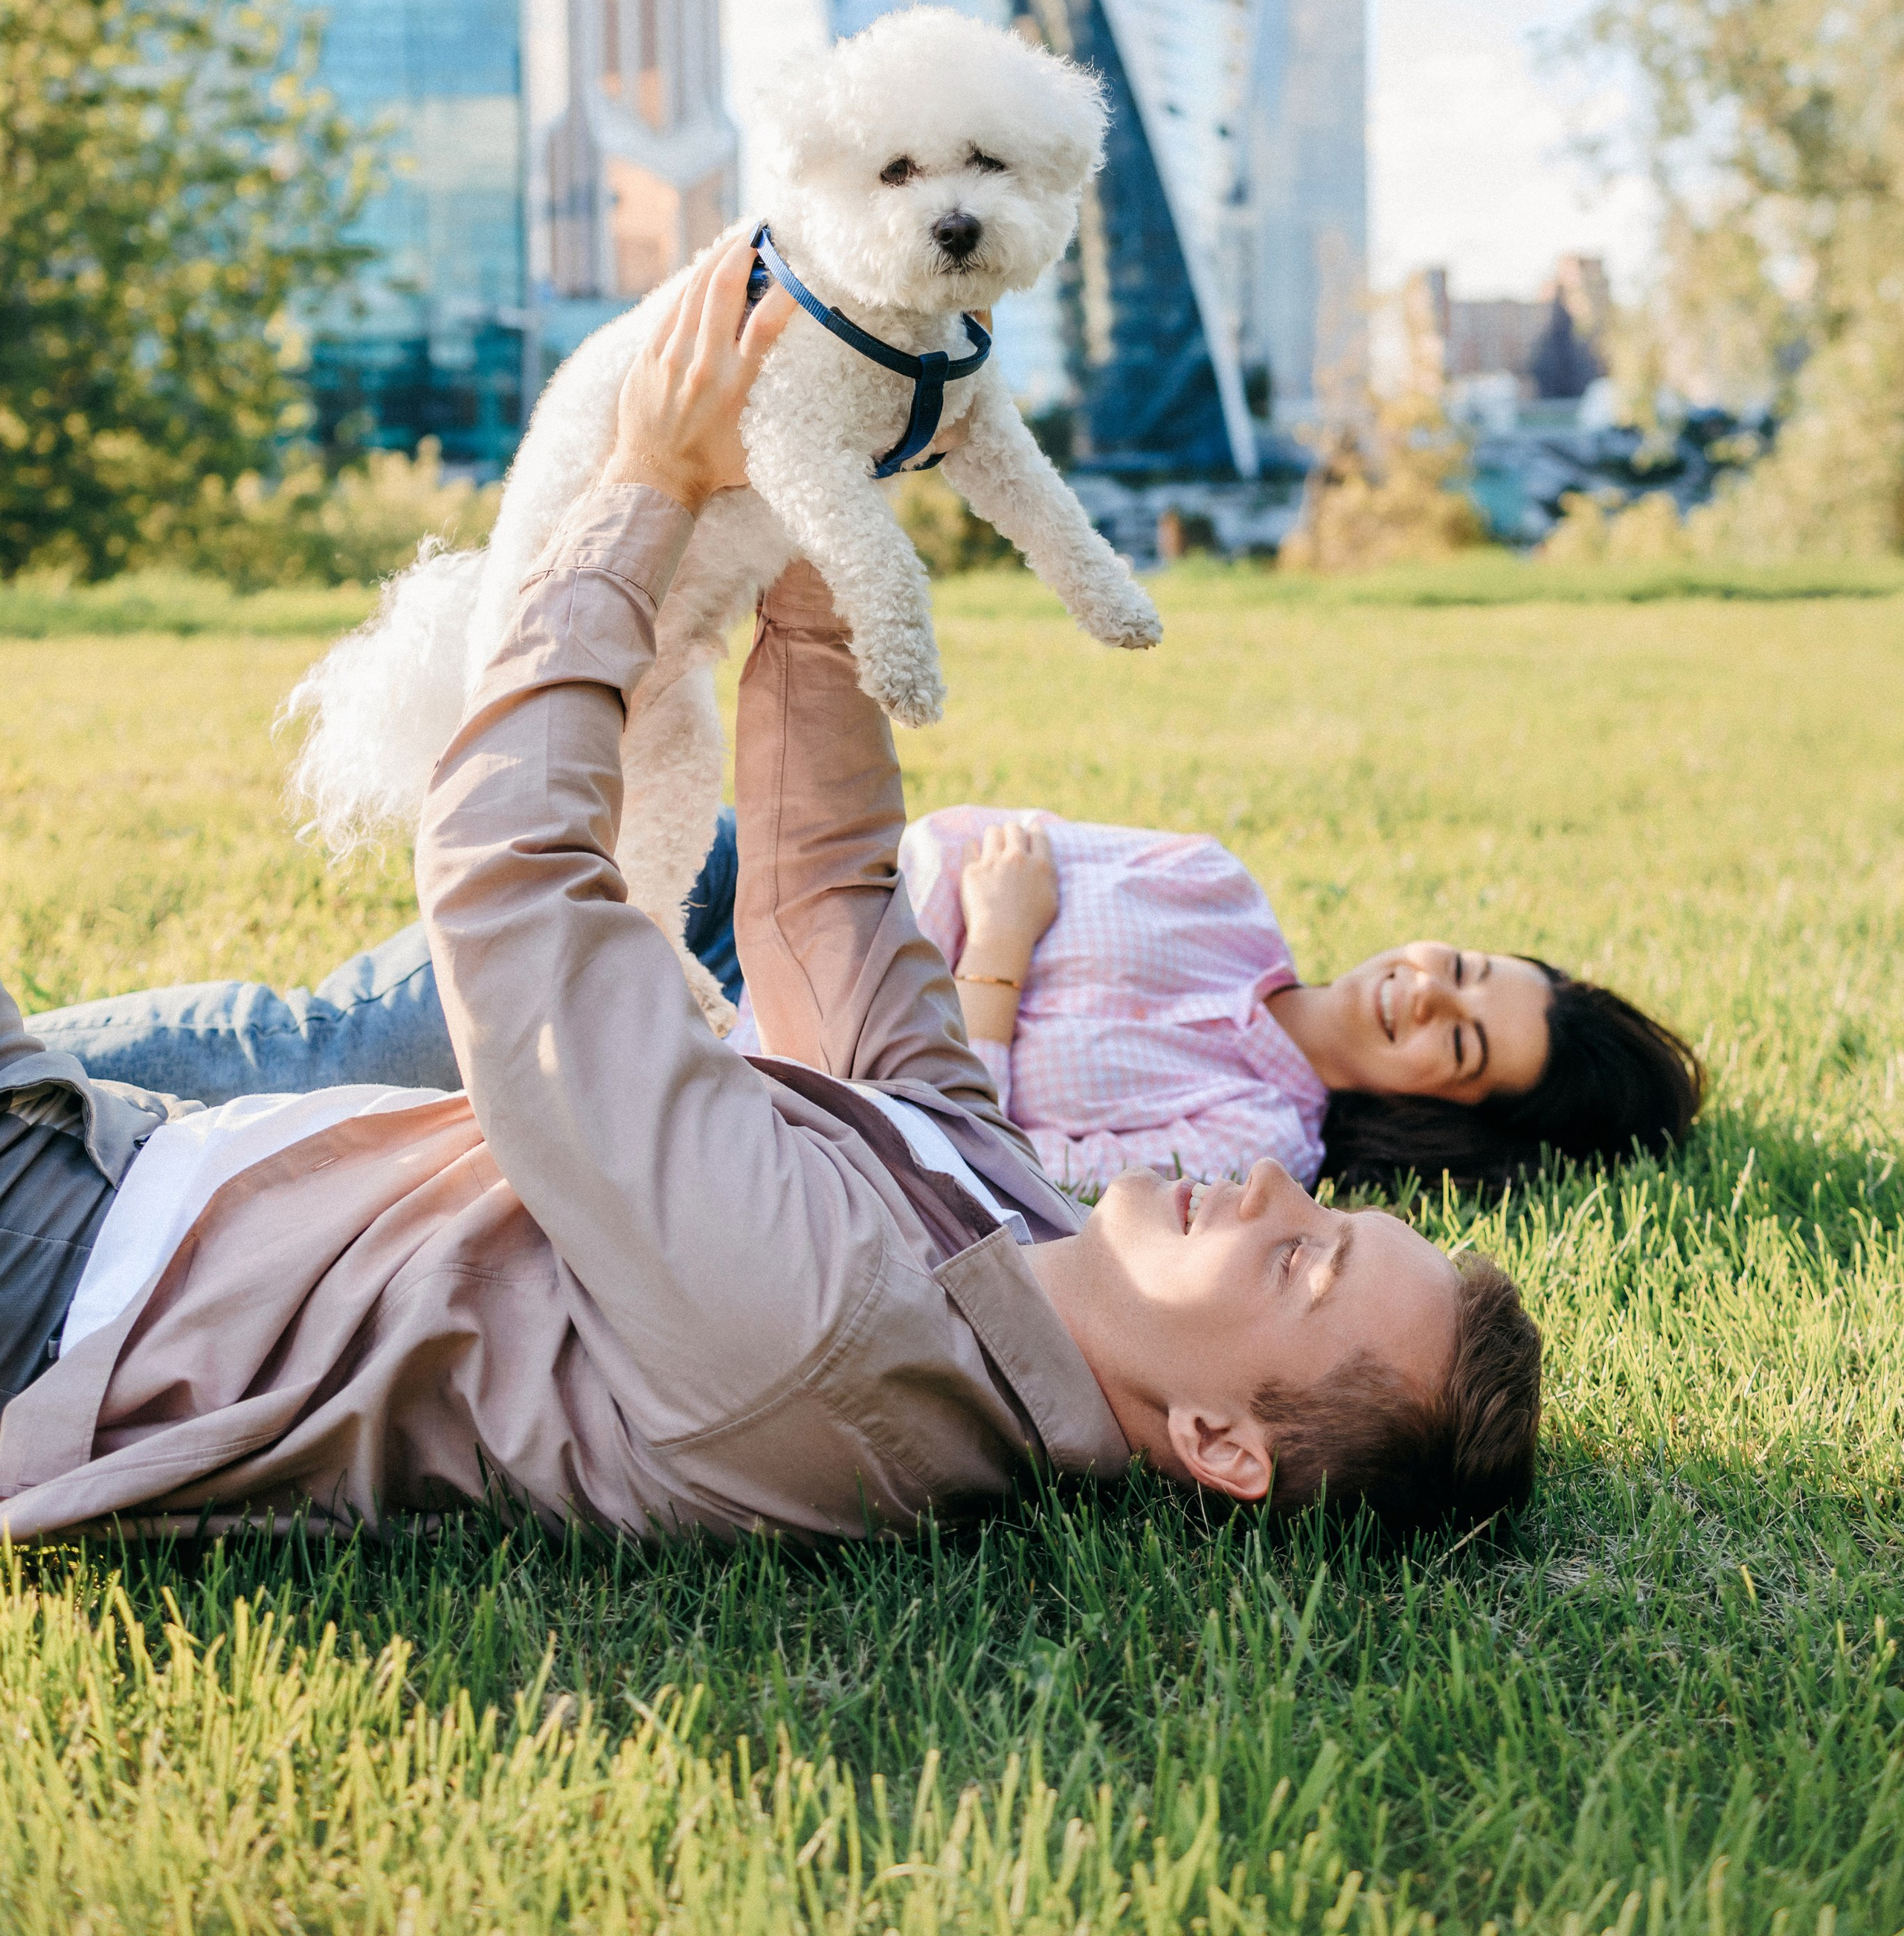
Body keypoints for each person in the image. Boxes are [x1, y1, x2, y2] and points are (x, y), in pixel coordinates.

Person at [0, 237, 1539, 1543]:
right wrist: (828, 513)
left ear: (1217, 1441)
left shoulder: (824, 1339)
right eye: (1319, 1211)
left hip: (62, 1282)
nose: (1272, 1191)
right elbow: (824, 907)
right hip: (134, 1168)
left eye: (1295, 1260)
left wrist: (647, 488)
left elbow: (515, 893)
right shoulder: (1015, 1239)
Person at [40, 808, 1702, 1206]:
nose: (1427, 992)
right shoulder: (1213, 881)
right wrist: (976, 906)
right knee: (331, 1033)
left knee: (326, 1116)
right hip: (747, 871)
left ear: (1441, 1110)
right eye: (1467, 968)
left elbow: (987, 1172)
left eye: (1458, 1042)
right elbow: (971, 832)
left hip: (724, 1066)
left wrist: (992, 960)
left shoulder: (1251, 1143)